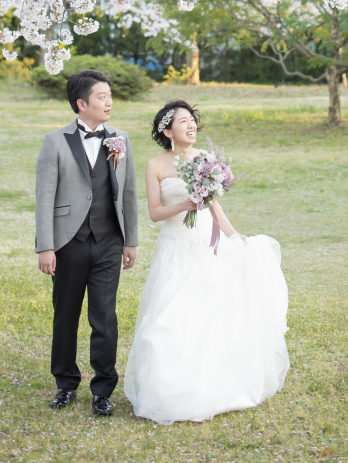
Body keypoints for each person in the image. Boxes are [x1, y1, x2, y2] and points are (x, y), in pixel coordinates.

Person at [124, 99, 289, 424]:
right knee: (167, 319)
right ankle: (168, 389)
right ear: (166, 130)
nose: (191, 126)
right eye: (183, 121)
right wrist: (186, 203)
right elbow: (155, 213)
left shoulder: (205, 159)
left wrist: (233, 235)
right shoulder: (155, 165)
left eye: (193, 120)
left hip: (204, 242)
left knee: (208, 309)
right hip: (174, 246)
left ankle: (213, 383)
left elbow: (214, 206)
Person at [35, 68, 138, 416]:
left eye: (110, 95)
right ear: (81, 104)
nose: (108, 102)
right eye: (100, 97)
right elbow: (44, 196)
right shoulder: (55, 141)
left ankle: (103, 389)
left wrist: (131, 241)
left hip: (110, 241)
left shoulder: (120, 139)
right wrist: (45, 246)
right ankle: (65, 383)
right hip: (68, 242)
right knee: (65, 314)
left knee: (105, 317)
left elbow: (129, 195)